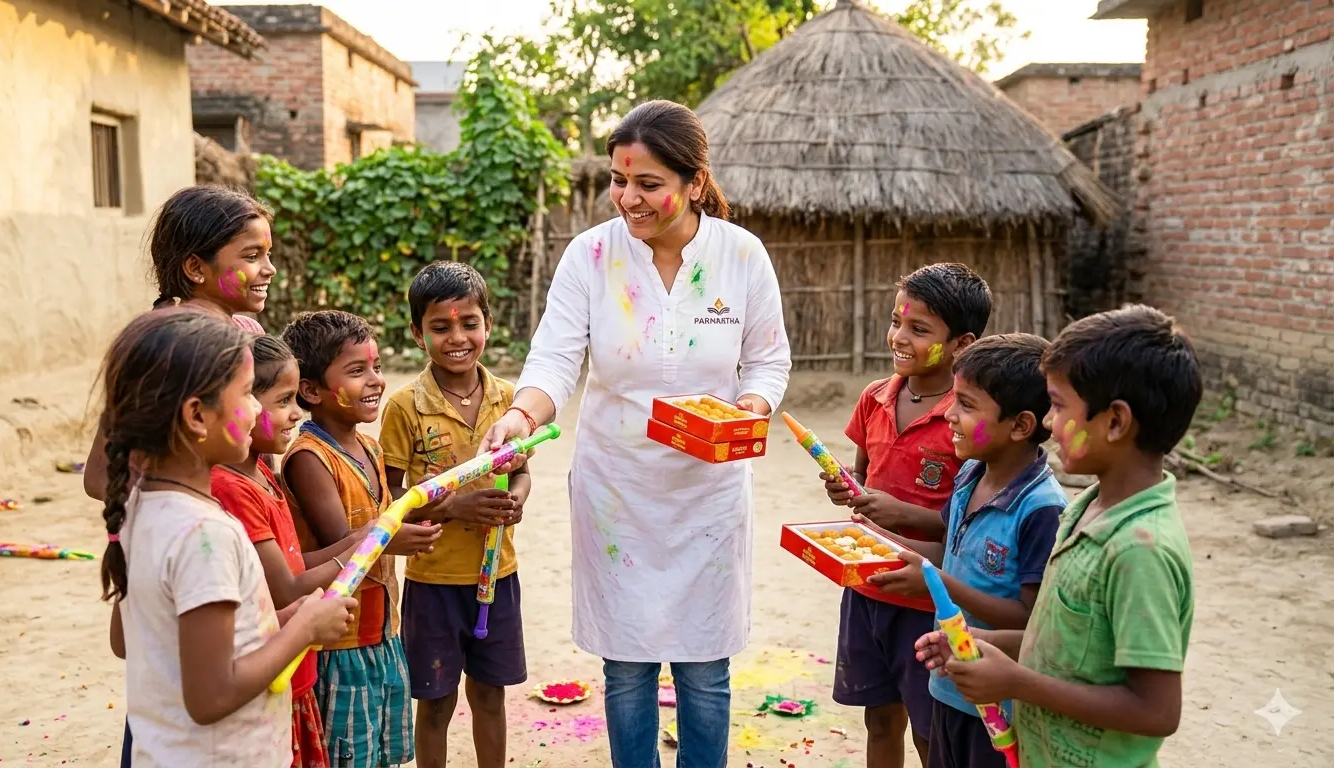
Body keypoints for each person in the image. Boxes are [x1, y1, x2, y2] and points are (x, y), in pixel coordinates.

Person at [477, 99, 791, 768]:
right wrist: (521, 415)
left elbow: (767, 358)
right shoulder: (590, 256)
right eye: (619, 182)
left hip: (709, 490)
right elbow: (556, 357)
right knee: (627, 667)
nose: (627, 198)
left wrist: (751, 411)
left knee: (705, 668)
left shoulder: (741, 255)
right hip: (617, 490)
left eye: (648, 184)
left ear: (694, 184)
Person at [915, 304, 1201, 768]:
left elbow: (1157, 710)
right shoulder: (1089, 509)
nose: (1049, 423)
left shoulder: (1139, 549)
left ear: (1115, 421)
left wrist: (1017, 683)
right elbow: (1055, 640)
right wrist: (975, 641)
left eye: (1061, 407)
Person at [100, 308, 356, 766]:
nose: (258, 408)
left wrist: (278, 619)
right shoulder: (206, 535)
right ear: (197, 415)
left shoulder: (141, 509)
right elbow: (211, 696)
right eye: (246, 394)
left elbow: (130, 642)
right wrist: (304, 629)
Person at [855, 334, 1067, 768]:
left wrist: (938, 582)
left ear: (1021, 425)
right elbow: (947, 550)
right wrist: (873, 537)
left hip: (997, 699)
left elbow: (1030, 617)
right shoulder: (970, 474)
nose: (949, 415)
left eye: (966, 406)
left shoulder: (1041, 509)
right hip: (949, 682)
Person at [821, 263, 992, 767]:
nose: (899, 337)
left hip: (929, 601)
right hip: (867, 587)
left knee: (929, 729)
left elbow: (970, 523)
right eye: (897, 322)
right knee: (879, 718)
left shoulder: (968, 422)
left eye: (919, 330)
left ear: (961, 343)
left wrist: (901, 512)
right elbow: (863, 479)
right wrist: (847, 491)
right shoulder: (875, 398)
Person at [211, 334, 392, 768]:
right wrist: (364, 545)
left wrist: (365, 538)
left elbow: (293, 564)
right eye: (283, 400)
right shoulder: (232, 488)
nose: (296, 413)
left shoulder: (262, 473)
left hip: (297, 673)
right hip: (280, 675)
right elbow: (287, 587)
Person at [378, 262, 533, 768]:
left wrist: (518, 499)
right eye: (440, 327)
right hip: (434, 582)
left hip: (497, 576)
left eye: (469, 323)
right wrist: (453, 507)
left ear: (488, 323)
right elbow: (394, 496)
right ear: (417, 333)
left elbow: (522, 471)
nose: (457, 338)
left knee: (490, 695)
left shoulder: (509, 401)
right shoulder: (404, 407)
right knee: (436, 701)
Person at [281, 310, 443, 768]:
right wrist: (394, 532)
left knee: (379, 756)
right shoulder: (310, 458)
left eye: (375, 366)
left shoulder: (370, 447)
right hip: (340, 645)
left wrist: (429, 497)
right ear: (311, 391)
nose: (375, 380)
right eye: (356, 371)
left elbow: (383, 517)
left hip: (380, 635)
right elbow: (350, 546)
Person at [84, 185, 274, 503]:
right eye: (252, 256)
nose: (270, 269)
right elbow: (99, 477)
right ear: (196, 268)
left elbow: (257, 456)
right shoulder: (168, 346)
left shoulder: (248, 332)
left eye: (268, 254)